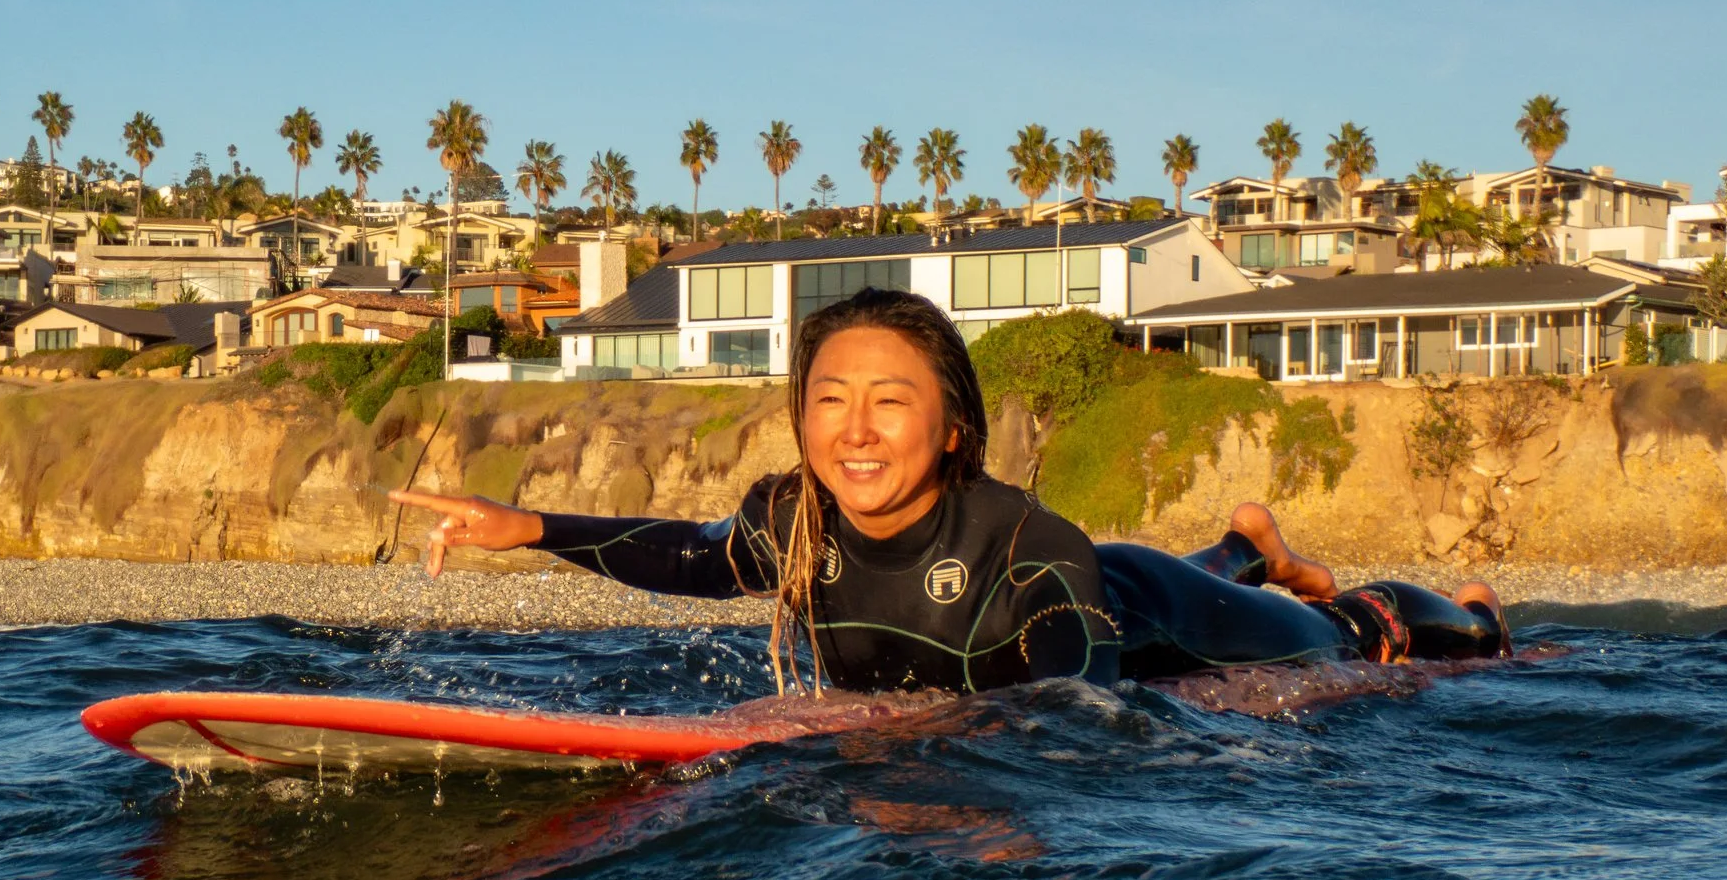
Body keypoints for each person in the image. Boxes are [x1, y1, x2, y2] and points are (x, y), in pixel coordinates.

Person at [390, 287, 1506, 694]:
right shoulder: (790, 520)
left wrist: (932, 748)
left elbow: (1081, 700)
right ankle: (1246, 543)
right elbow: (686, 556)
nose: (855, 431)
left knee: (1344, 639)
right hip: (1113, 585)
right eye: (829, 399)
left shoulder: (1030, 548)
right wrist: (524, 525)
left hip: (1147, 614)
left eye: (890, 401)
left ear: (954, 426)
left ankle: (1465, 614)